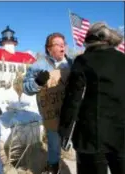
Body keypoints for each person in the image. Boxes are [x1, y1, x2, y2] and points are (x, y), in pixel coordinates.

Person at [59, 22, 125, 174]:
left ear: (89, 40)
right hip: (121, 135)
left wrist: (64, 131)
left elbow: (73, 99)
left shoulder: (83, 61)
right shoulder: (123, 59)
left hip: (91, 136)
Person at [23, 32, 72, 174]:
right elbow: (26, 88)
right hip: (52, 114)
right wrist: (37, 82)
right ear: (49, 48)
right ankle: (53, 167)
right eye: (58, 44)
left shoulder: (72, 63)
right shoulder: (39, 65)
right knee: (54, 144)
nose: (62, 46)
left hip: (71, 112)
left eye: (64, 44)